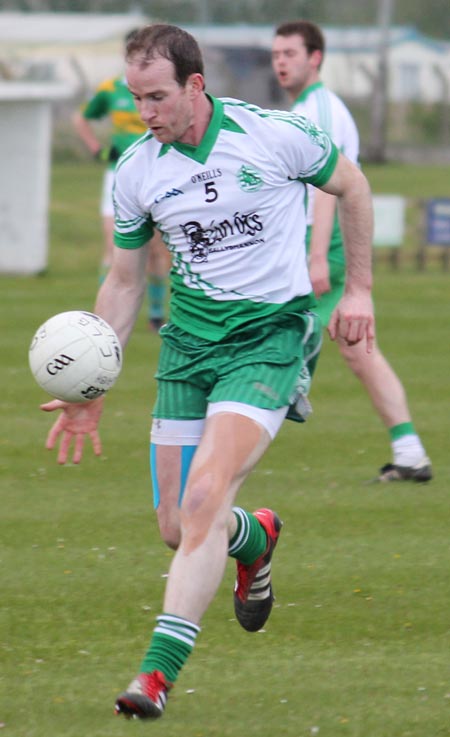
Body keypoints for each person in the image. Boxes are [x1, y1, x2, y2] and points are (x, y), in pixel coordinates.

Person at [40, 24, 375, 720]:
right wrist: (90, 386)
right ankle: (255, 536)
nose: (146, 112)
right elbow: (126, 282)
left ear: (196, 85)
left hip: (269, 338)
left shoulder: (271, 134)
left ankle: (155, 677)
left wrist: (360, 289)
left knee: (203, 499)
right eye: (136, 98)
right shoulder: (137, 167)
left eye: (157, 96)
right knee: (177, 523)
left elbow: (353, 186)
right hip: (189, 349)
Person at [272, 20, 432, 483]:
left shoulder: (319, 108)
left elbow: (329, 186)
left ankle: (286, 390)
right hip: (324, 238)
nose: (280, 61)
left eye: (290, 53)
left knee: (271, 328)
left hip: (324, 238)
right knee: (360, 348)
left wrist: (317, 254)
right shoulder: (310, 106)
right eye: (277, 53)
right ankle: (410, 453)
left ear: (314, 58)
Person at [72, 28, 170, 331]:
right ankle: (102, 321)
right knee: (113, 246)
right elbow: (82, 117)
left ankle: (156, 313)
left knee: (155, 250)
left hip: (155, 177)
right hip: (117, 176)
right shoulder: (112, 88)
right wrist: (97, 150)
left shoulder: (163, 88)